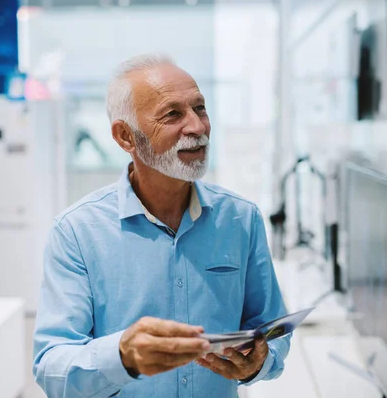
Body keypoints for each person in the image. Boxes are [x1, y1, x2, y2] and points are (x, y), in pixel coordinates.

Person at [32, 53, 291, 398]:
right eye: (173, 114)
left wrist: (260, 362)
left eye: (200, 108)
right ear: (126, 137)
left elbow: (272, 328)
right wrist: (122, 356)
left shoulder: (241, 219)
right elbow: (52, 366)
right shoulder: (78, 232)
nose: (197, 127)